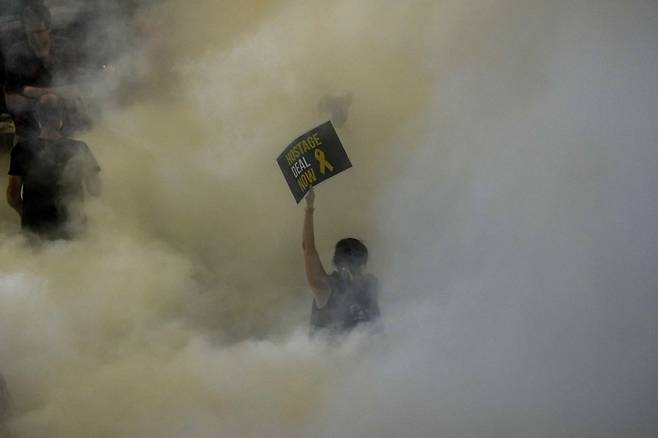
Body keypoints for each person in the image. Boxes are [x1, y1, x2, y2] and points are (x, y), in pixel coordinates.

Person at [6, 94, 100, 240]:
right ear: (61, 120)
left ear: (38, 119)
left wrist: (27, 213)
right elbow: (95, 190)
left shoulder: (21, 149)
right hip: (72, 227)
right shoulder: (80, 148)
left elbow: (12, 196)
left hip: (34, 229)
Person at [302, 186, 381, 337]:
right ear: (340, 265)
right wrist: (309, 208)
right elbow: (308, 249)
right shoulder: (326, 288)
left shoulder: (370, 286)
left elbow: (377, 326)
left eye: (358, 265)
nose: (356, 270)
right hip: (330, 359)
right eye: (351, 265)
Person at [5, 4, 84, 139]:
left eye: (39, 32)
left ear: (49, 29)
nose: (35, 38)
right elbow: (11, 101)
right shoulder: (16, 54)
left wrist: (34, 92)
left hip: (66, 127)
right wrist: (45, 103)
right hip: (28, 129)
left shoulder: (65, 48)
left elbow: (76, 91)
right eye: (30, 33)